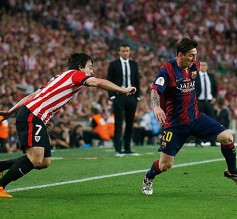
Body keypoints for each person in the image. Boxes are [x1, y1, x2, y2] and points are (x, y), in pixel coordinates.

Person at [0, 52, 136, 198]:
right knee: (35, 159)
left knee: (44, 161)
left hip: (35, 116)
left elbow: (33, 95)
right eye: (90, 67)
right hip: (32, 115)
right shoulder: (75, 75)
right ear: (80, 67)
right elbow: (97, 82)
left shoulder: (59, 77)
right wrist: (123, 90)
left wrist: (11, 111)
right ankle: (1, 185)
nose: (92, 72)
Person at [141, 37, 237, 195]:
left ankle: (232, 171)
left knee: (227, 137)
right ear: (180, 55)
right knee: (165, 165)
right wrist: (156, 106)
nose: (195, 59)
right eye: (191, 55)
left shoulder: (194, 66)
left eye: (195, 55)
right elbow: (155, 90)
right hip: (175, 124)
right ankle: (149, 177)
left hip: (196, 118)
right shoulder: (166, 70)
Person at [107, 43, 141, 157]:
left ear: (129, 51)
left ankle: (127, 148)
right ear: (119, 52)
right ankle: (118, 149)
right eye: (123, 51)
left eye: (127, 50)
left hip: (131, 96)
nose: (126, 52)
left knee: (130, 123)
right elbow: (109, 80)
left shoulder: (134, 64)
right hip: (119, 96)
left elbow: (137, 80)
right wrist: (112, 96)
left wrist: (137, 96)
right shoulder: (113, 64)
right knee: (119, 123)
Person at [195, 61, 218, 146]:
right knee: (198, 122)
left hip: (209, 102)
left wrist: (214, 97)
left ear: (207, 66)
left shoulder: (211, 76)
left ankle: (213, 141)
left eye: (205, 65)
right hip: (199, 102)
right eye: (202, 65)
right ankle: (198, 142)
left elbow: (215, 88)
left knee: (212, 122)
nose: (203, 67)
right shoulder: (195, 77)